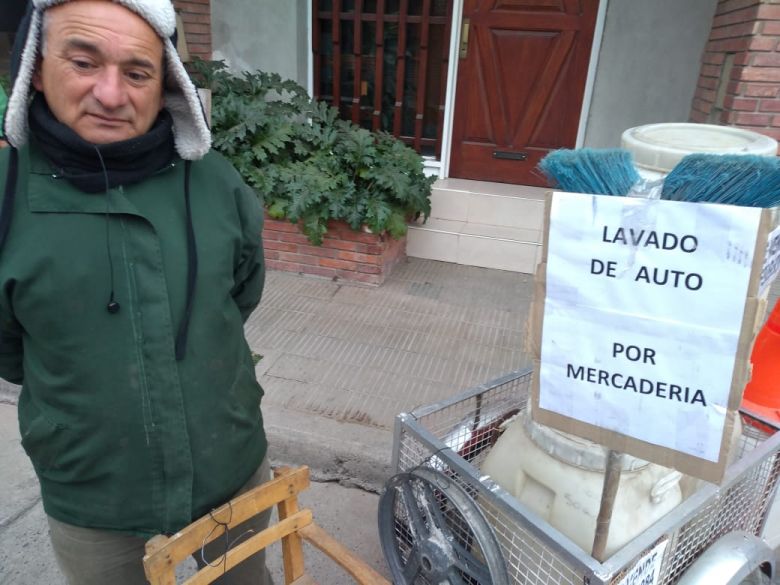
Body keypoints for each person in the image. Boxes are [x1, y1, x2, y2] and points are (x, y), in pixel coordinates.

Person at [0, 1, 272, 583]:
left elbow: (241, 291)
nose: (111, 93)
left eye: (137, 72)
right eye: (83, 62)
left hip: (232, 467)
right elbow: (7, 348)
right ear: (36, 67)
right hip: (96, 499)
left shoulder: (214, 181)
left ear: (165, 83)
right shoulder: (4, 200)